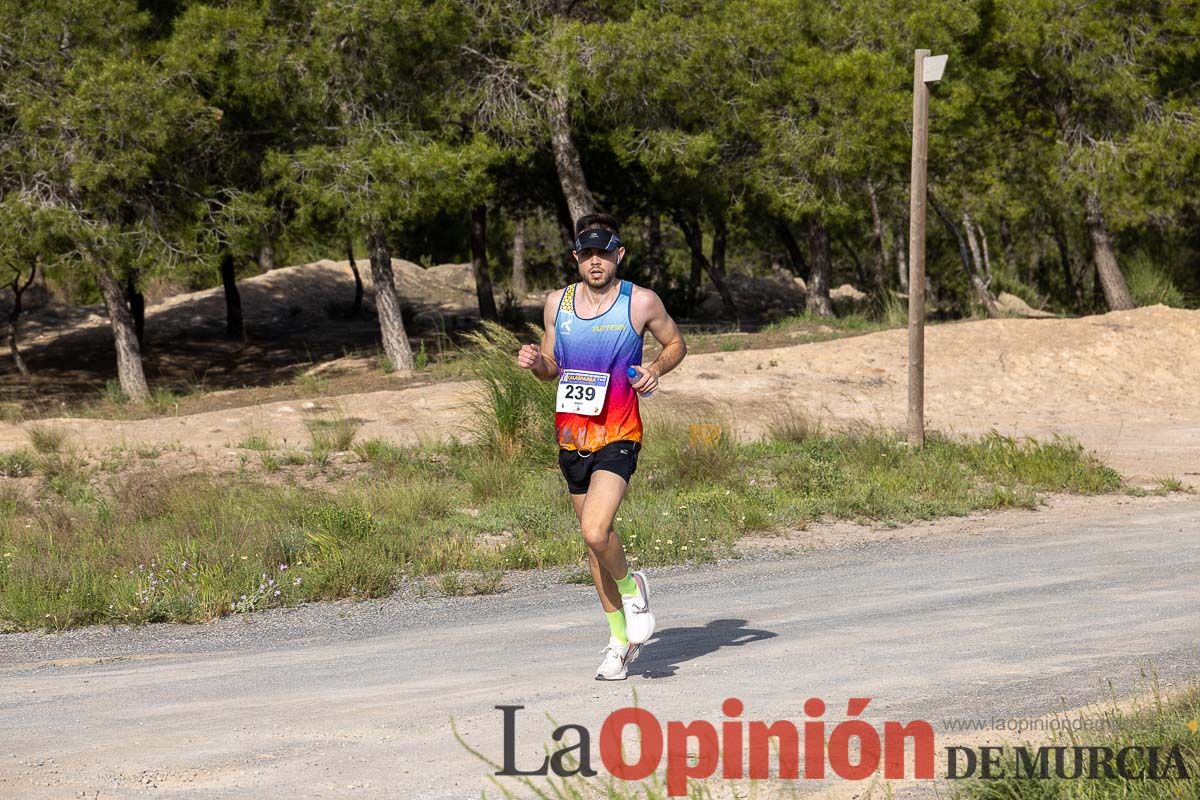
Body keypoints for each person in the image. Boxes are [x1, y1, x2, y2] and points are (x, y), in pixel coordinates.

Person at [516, 212, 687, 680]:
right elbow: (552, 365)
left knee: (595, 530)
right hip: (572, 435)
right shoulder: (557, 304)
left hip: (619, 432)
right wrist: (535, 362)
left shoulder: (640, 302)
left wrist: (656, 368)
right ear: (576, 258)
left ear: (619, 255)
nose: (596, 261)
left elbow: (676, 344)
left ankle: (635, 591)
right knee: (596, 547)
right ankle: (618, 640)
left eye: (604, 253)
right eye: (587, 253)